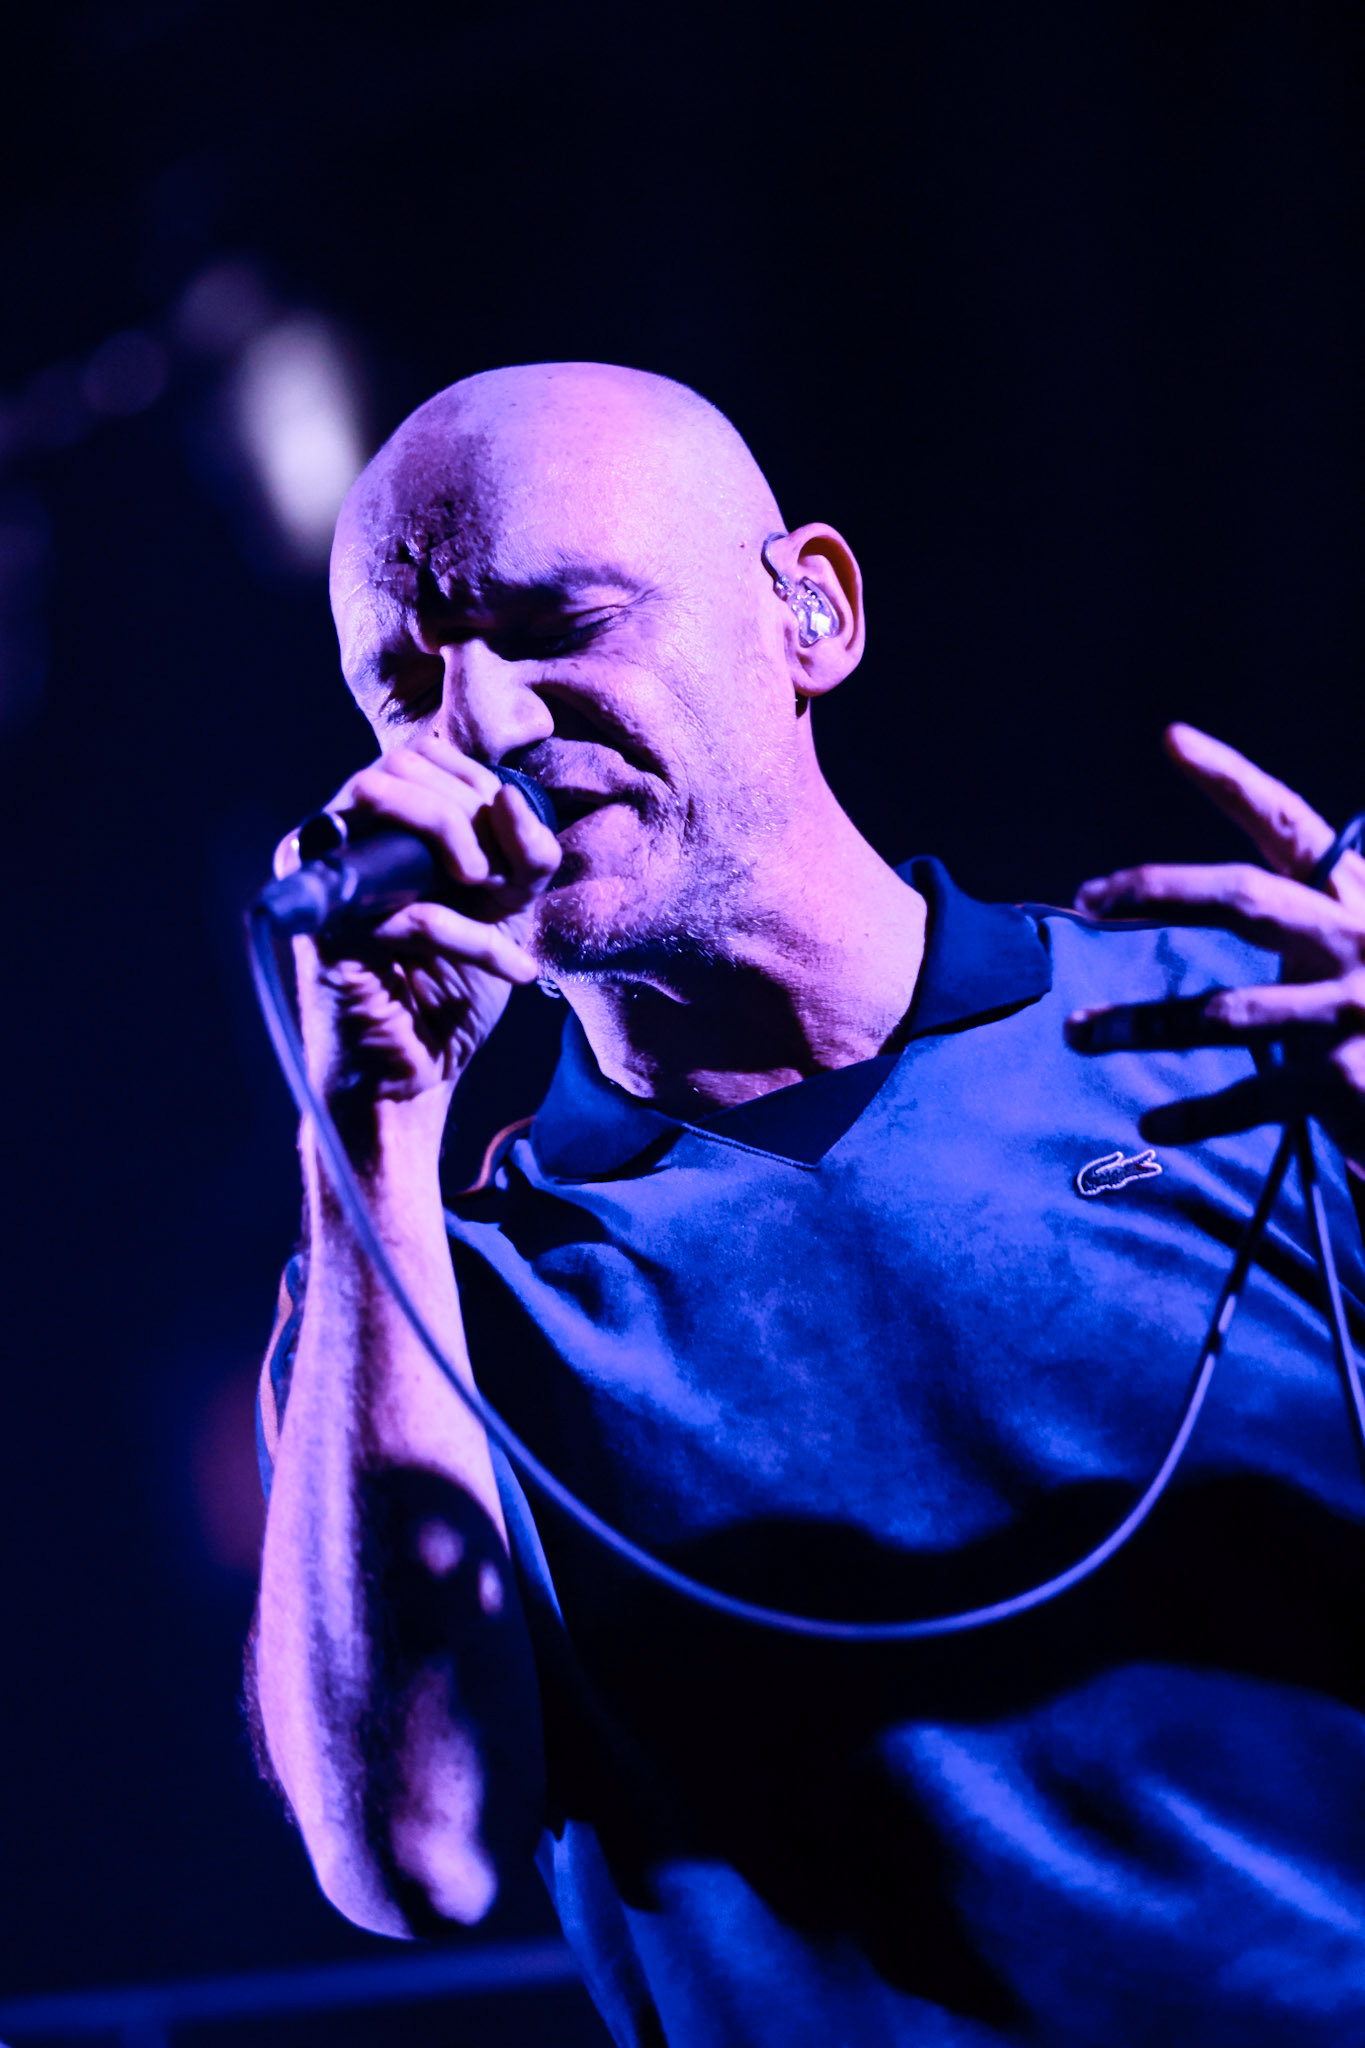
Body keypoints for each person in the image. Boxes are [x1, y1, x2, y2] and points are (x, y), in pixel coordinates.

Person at [251, 361, 1365, 2046]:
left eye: (563, 623)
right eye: (403, 685)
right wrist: (372, 1139)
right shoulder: (424, 1293)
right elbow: (414, 1861)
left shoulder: (1241, 1023)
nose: (477, 728)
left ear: (809, 617)